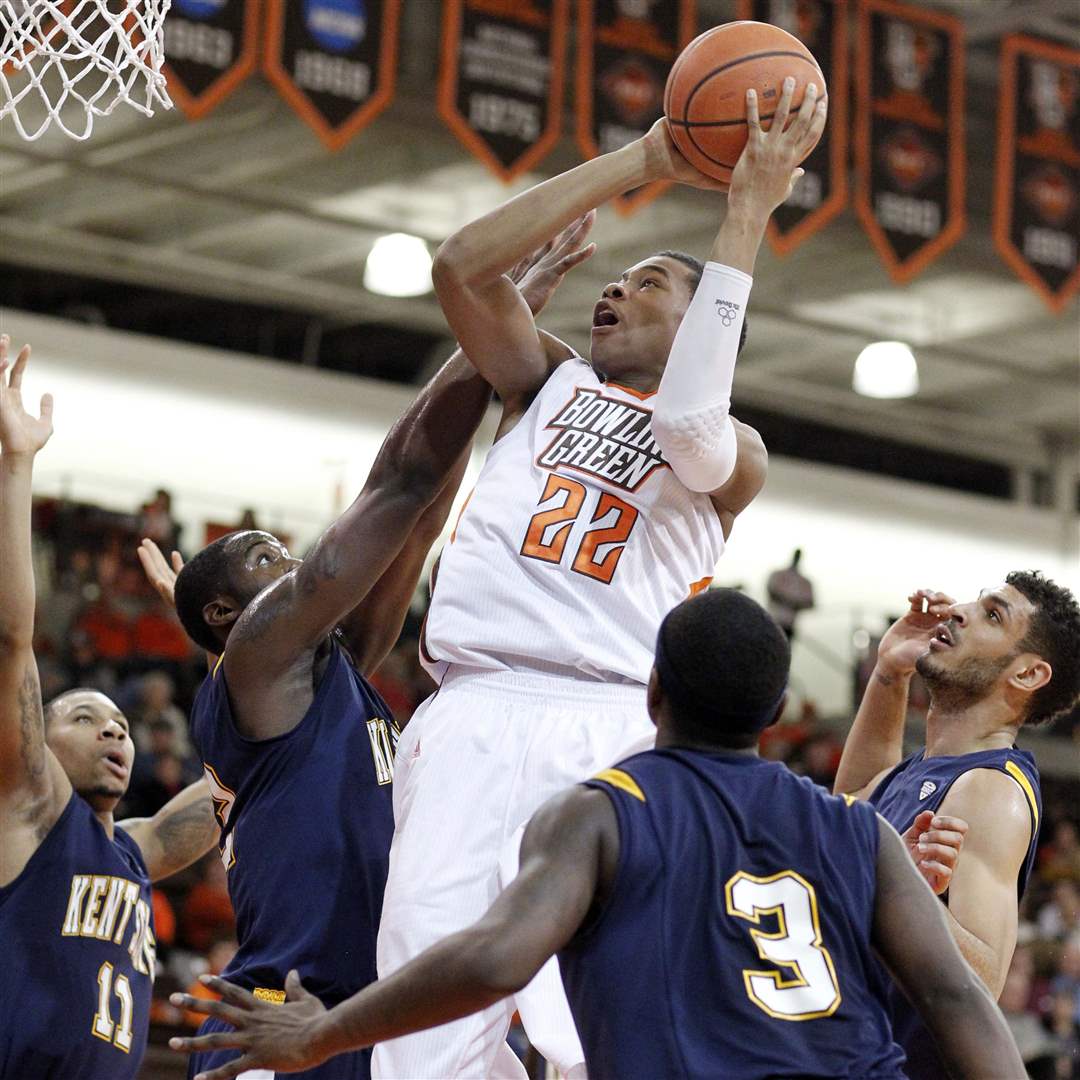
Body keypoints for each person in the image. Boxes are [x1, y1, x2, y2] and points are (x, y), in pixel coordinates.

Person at [372, 77, 829, 1080]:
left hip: (610, 724)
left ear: (705, 324)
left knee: (603, 1030)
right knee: (421, 1022)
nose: (614, 291)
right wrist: (646, 159)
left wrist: (747, 210)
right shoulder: (547, 380)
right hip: (473, 704)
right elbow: (460, 266)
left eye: (649, 284)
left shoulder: (736, 451)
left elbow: (690, 422)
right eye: (614, 281)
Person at [168, 589, 1026, 1080]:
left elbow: (493, 960)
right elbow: (959, 1001)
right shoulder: (860, 831)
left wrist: (319, 1034)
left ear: (652, 692)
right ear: (776, 712)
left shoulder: (601, 813)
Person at [156, 233, 593, 1080]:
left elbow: (419, 515)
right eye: (265, 558)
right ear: (223, 615)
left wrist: (496, 351)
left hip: (365, 1018)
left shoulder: (334, 668)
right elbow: (397, 482)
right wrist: (493, 320)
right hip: (283, 1013)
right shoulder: (257, 661)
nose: (293, 561)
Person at [0, 336, 219, 1078]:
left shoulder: (134, 850)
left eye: (119, 725)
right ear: (38, 740)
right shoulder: (30, 812)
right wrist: (18, 464)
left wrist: (218, 647)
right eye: (85, 719)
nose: (113, 733)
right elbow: (12, 641)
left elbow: (240, 779)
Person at [834, 576, 1080, 1079]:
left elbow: (981, 984)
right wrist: (890, 672)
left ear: (1028, 673)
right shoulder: (926, 768)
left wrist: (897, 884)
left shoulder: (989, 790)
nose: (960, 610)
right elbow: (855, 803)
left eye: (993, 615)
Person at [766, 546, 815, 640]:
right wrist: (787, 601)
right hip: (772, 622)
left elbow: (811, 604)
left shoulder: (805, 582)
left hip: (788, 626)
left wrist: (796, 604)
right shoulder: (777, 574)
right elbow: (771, 592)